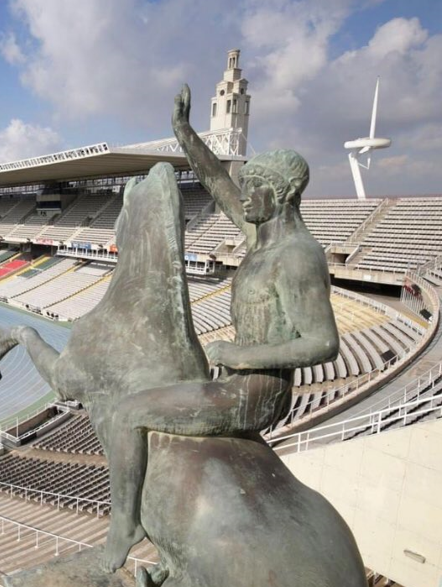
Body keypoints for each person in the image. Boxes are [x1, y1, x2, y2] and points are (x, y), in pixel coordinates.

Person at [98, 85, 340, 571]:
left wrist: (242, 356)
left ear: (282, 195)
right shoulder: (260, 232)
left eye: (255, 188)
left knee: (127, 412)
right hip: (233, 379)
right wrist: (184, 133)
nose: (244, 195)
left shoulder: (297, 257)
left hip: (255, 393)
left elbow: (324, 343)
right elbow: (216, 182)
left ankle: (125, 523)